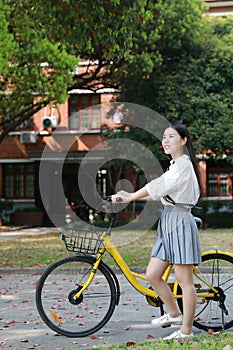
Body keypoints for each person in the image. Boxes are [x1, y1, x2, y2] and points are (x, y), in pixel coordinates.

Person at [111, 122, 202, 340]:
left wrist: (131, 196)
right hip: (168, 220)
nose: (166, 141)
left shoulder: (183, 166)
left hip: (179, 220)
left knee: (184, 281)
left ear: (184, 141)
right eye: (164, 137)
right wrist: (131, 196)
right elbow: (160, 191)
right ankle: (174, 313)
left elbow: (159, 185)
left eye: (171, 136)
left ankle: (186, 331)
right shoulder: (175, 166)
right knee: (152, 274)